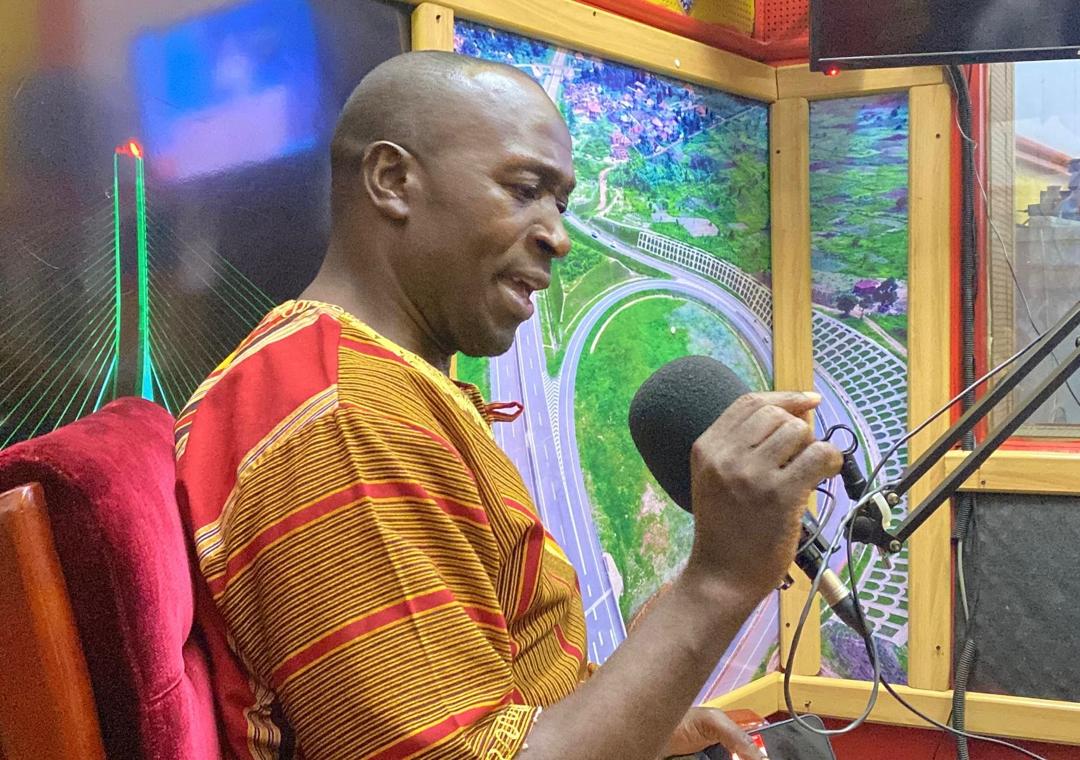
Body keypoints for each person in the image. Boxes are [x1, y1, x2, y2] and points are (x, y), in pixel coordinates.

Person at [174, 51, 842, 760]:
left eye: (562, 204)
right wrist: (718, 580)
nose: (557, 234)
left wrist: (650, 733)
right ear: (392, 180)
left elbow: (503, 700)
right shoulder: (346, 421)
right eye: (526, 189)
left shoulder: (368, 381)